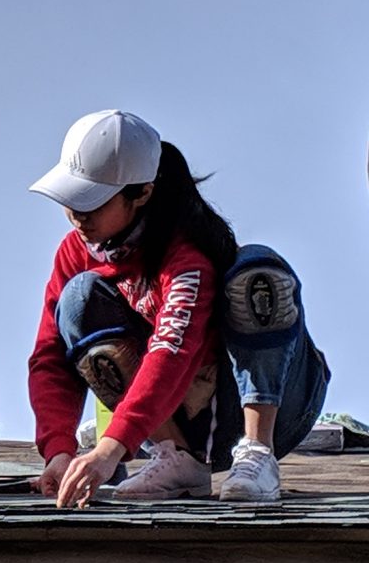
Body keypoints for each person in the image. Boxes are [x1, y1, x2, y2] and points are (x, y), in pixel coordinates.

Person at [25, 110, 329, 508]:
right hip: (175, 419)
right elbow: (50, 358)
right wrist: (59, 451)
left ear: (142, 193)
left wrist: (110, 449)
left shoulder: (187, 252)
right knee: (78, 298)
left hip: (272, 406)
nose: (78, 215)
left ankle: (258, 451)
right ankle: (177, 458)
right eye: (72, 198)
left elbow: (171, 351)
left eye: (93, 201)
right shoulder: (76, 252)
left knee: (259, 271)